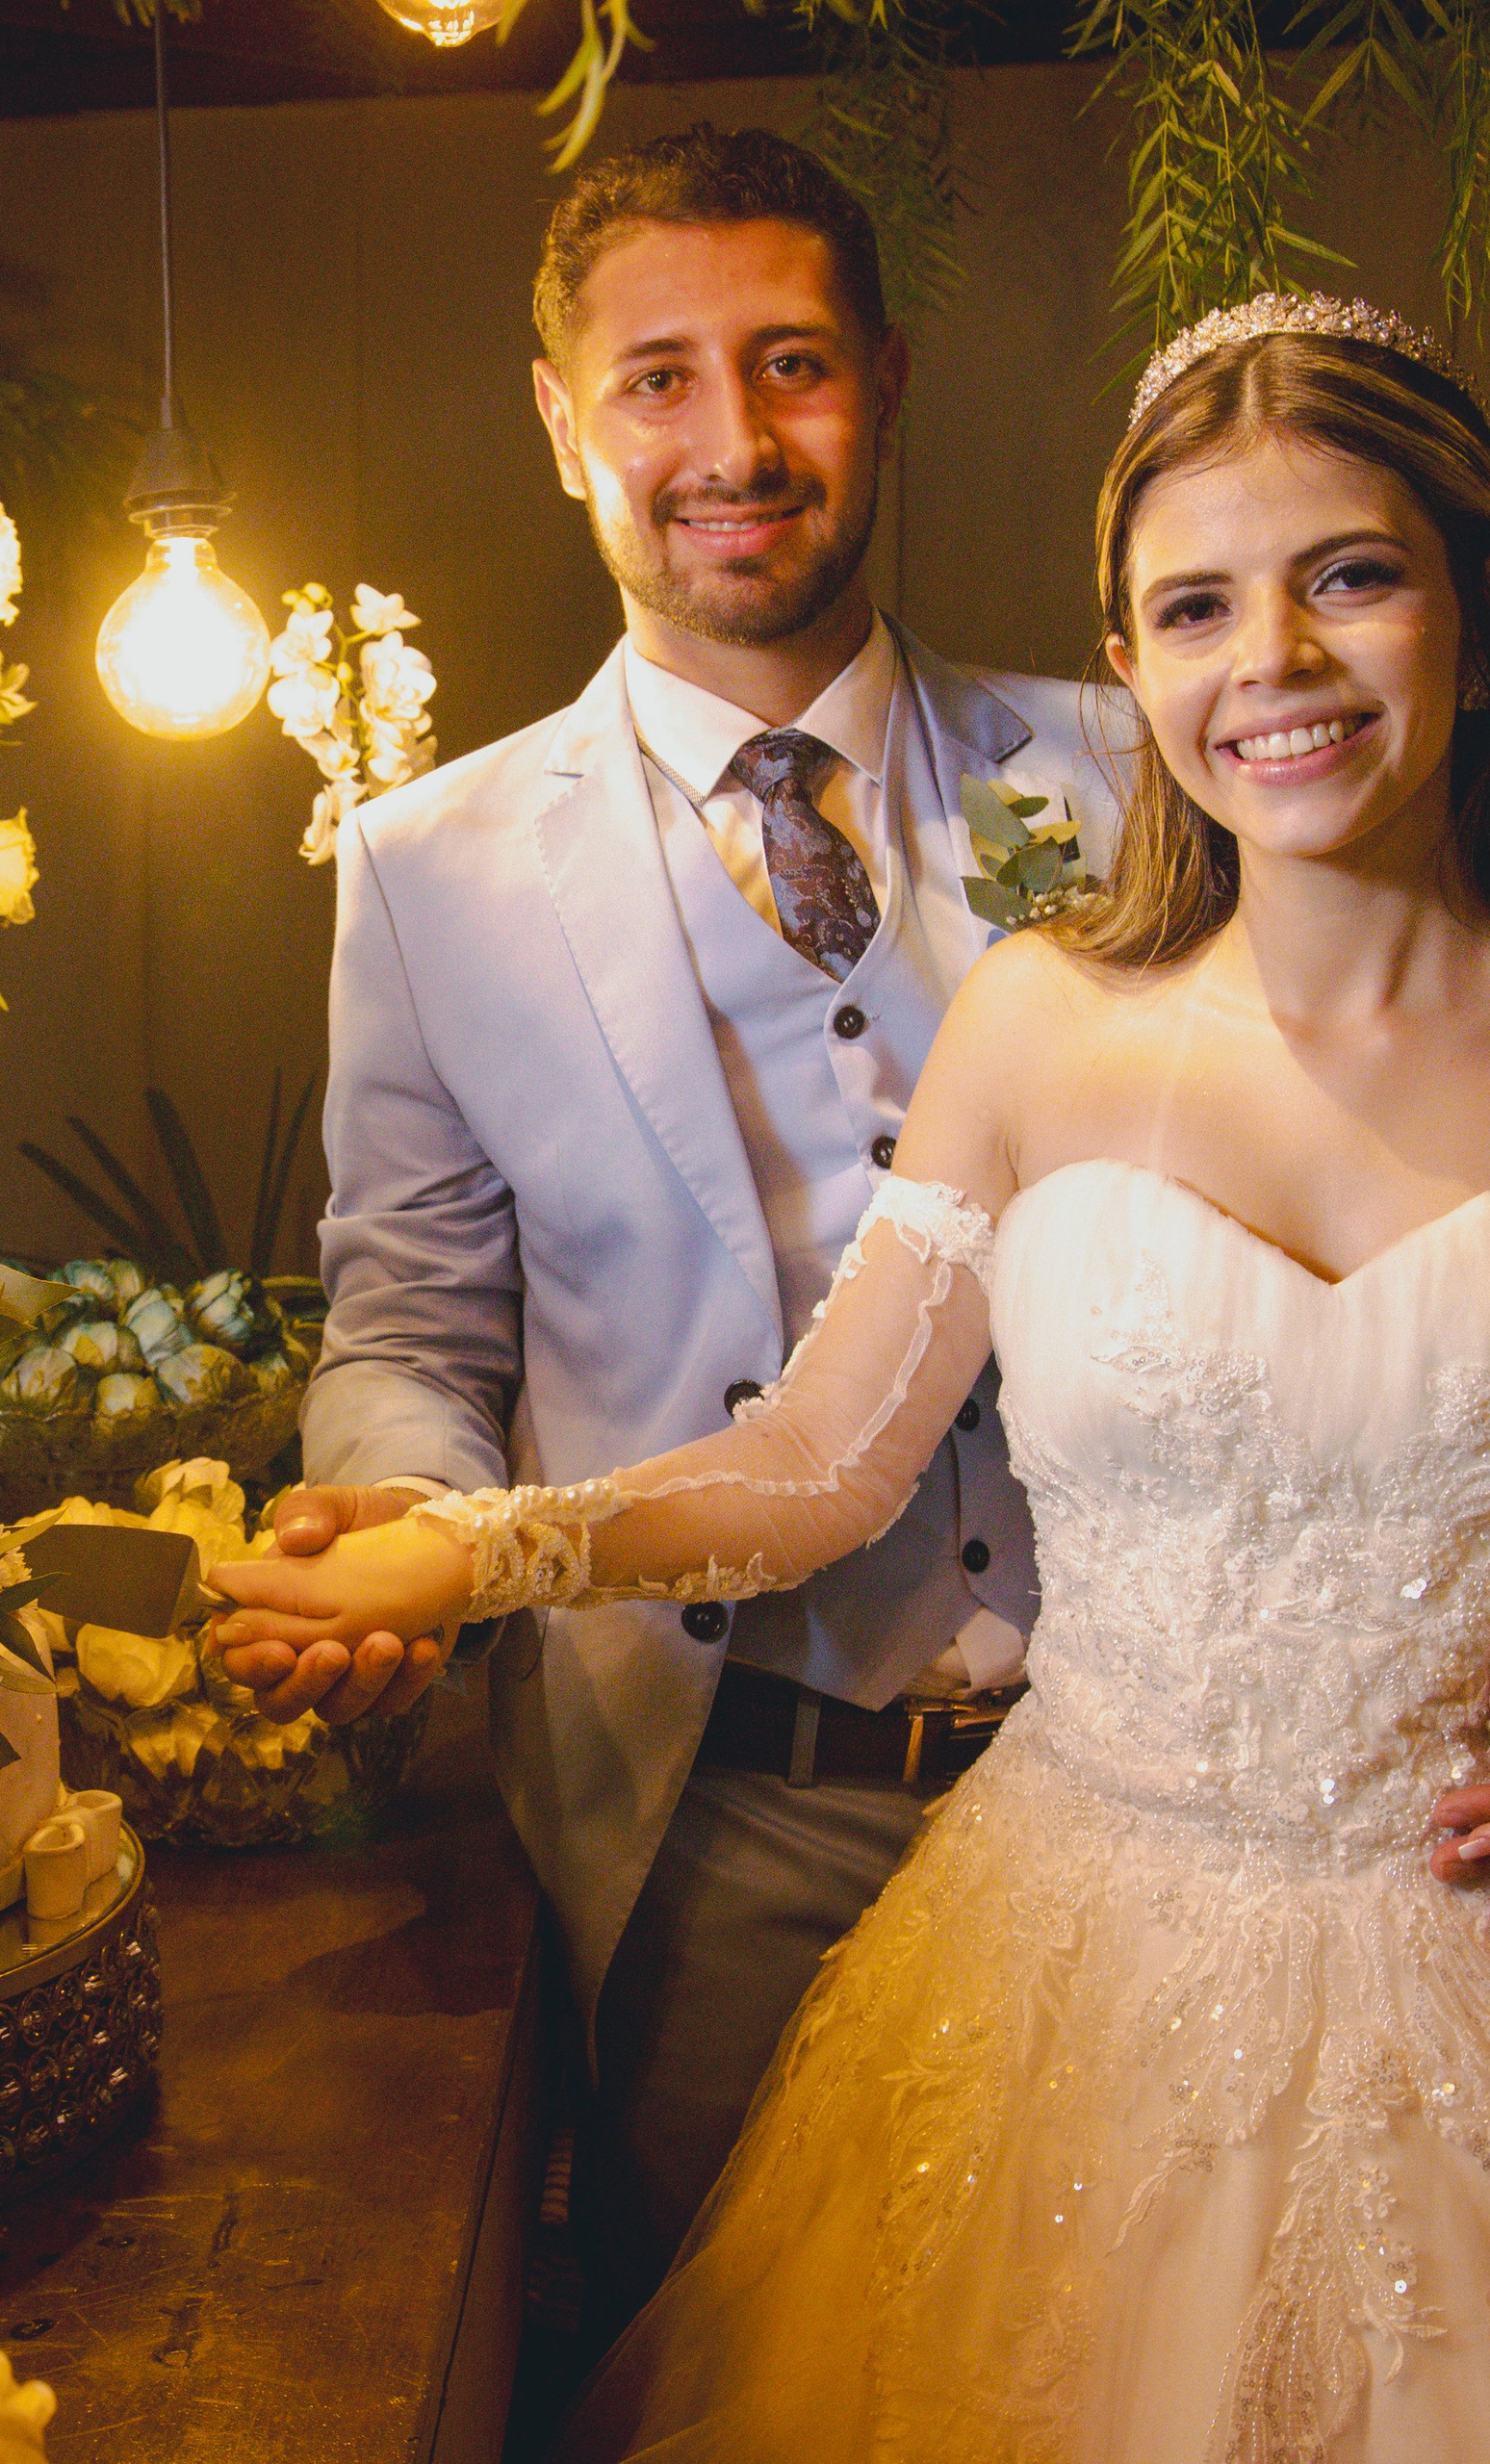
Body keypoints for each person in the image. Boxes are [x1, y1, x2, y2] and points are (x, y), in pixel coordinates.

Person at [215, 294, 1490, 2455]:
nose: (1265, 658)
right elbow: (822, 1458)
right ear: (1131, 653)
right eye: (1190, 603)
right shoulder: (1041, 1022)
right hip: (1068, 1974)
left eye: (1346, 573)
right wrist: (473, 1547)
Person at [218, 122, 1124, 2319]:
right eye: (655, 379)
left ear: (883, 383)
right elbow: (414, 1328)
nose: (727, 439)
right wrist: (399, 1529)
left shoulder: (1133, 774)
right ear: (560, 422)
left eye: (787, 362)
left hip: (1147, 1786)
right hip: (728, 1822)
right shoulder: (424, 869)